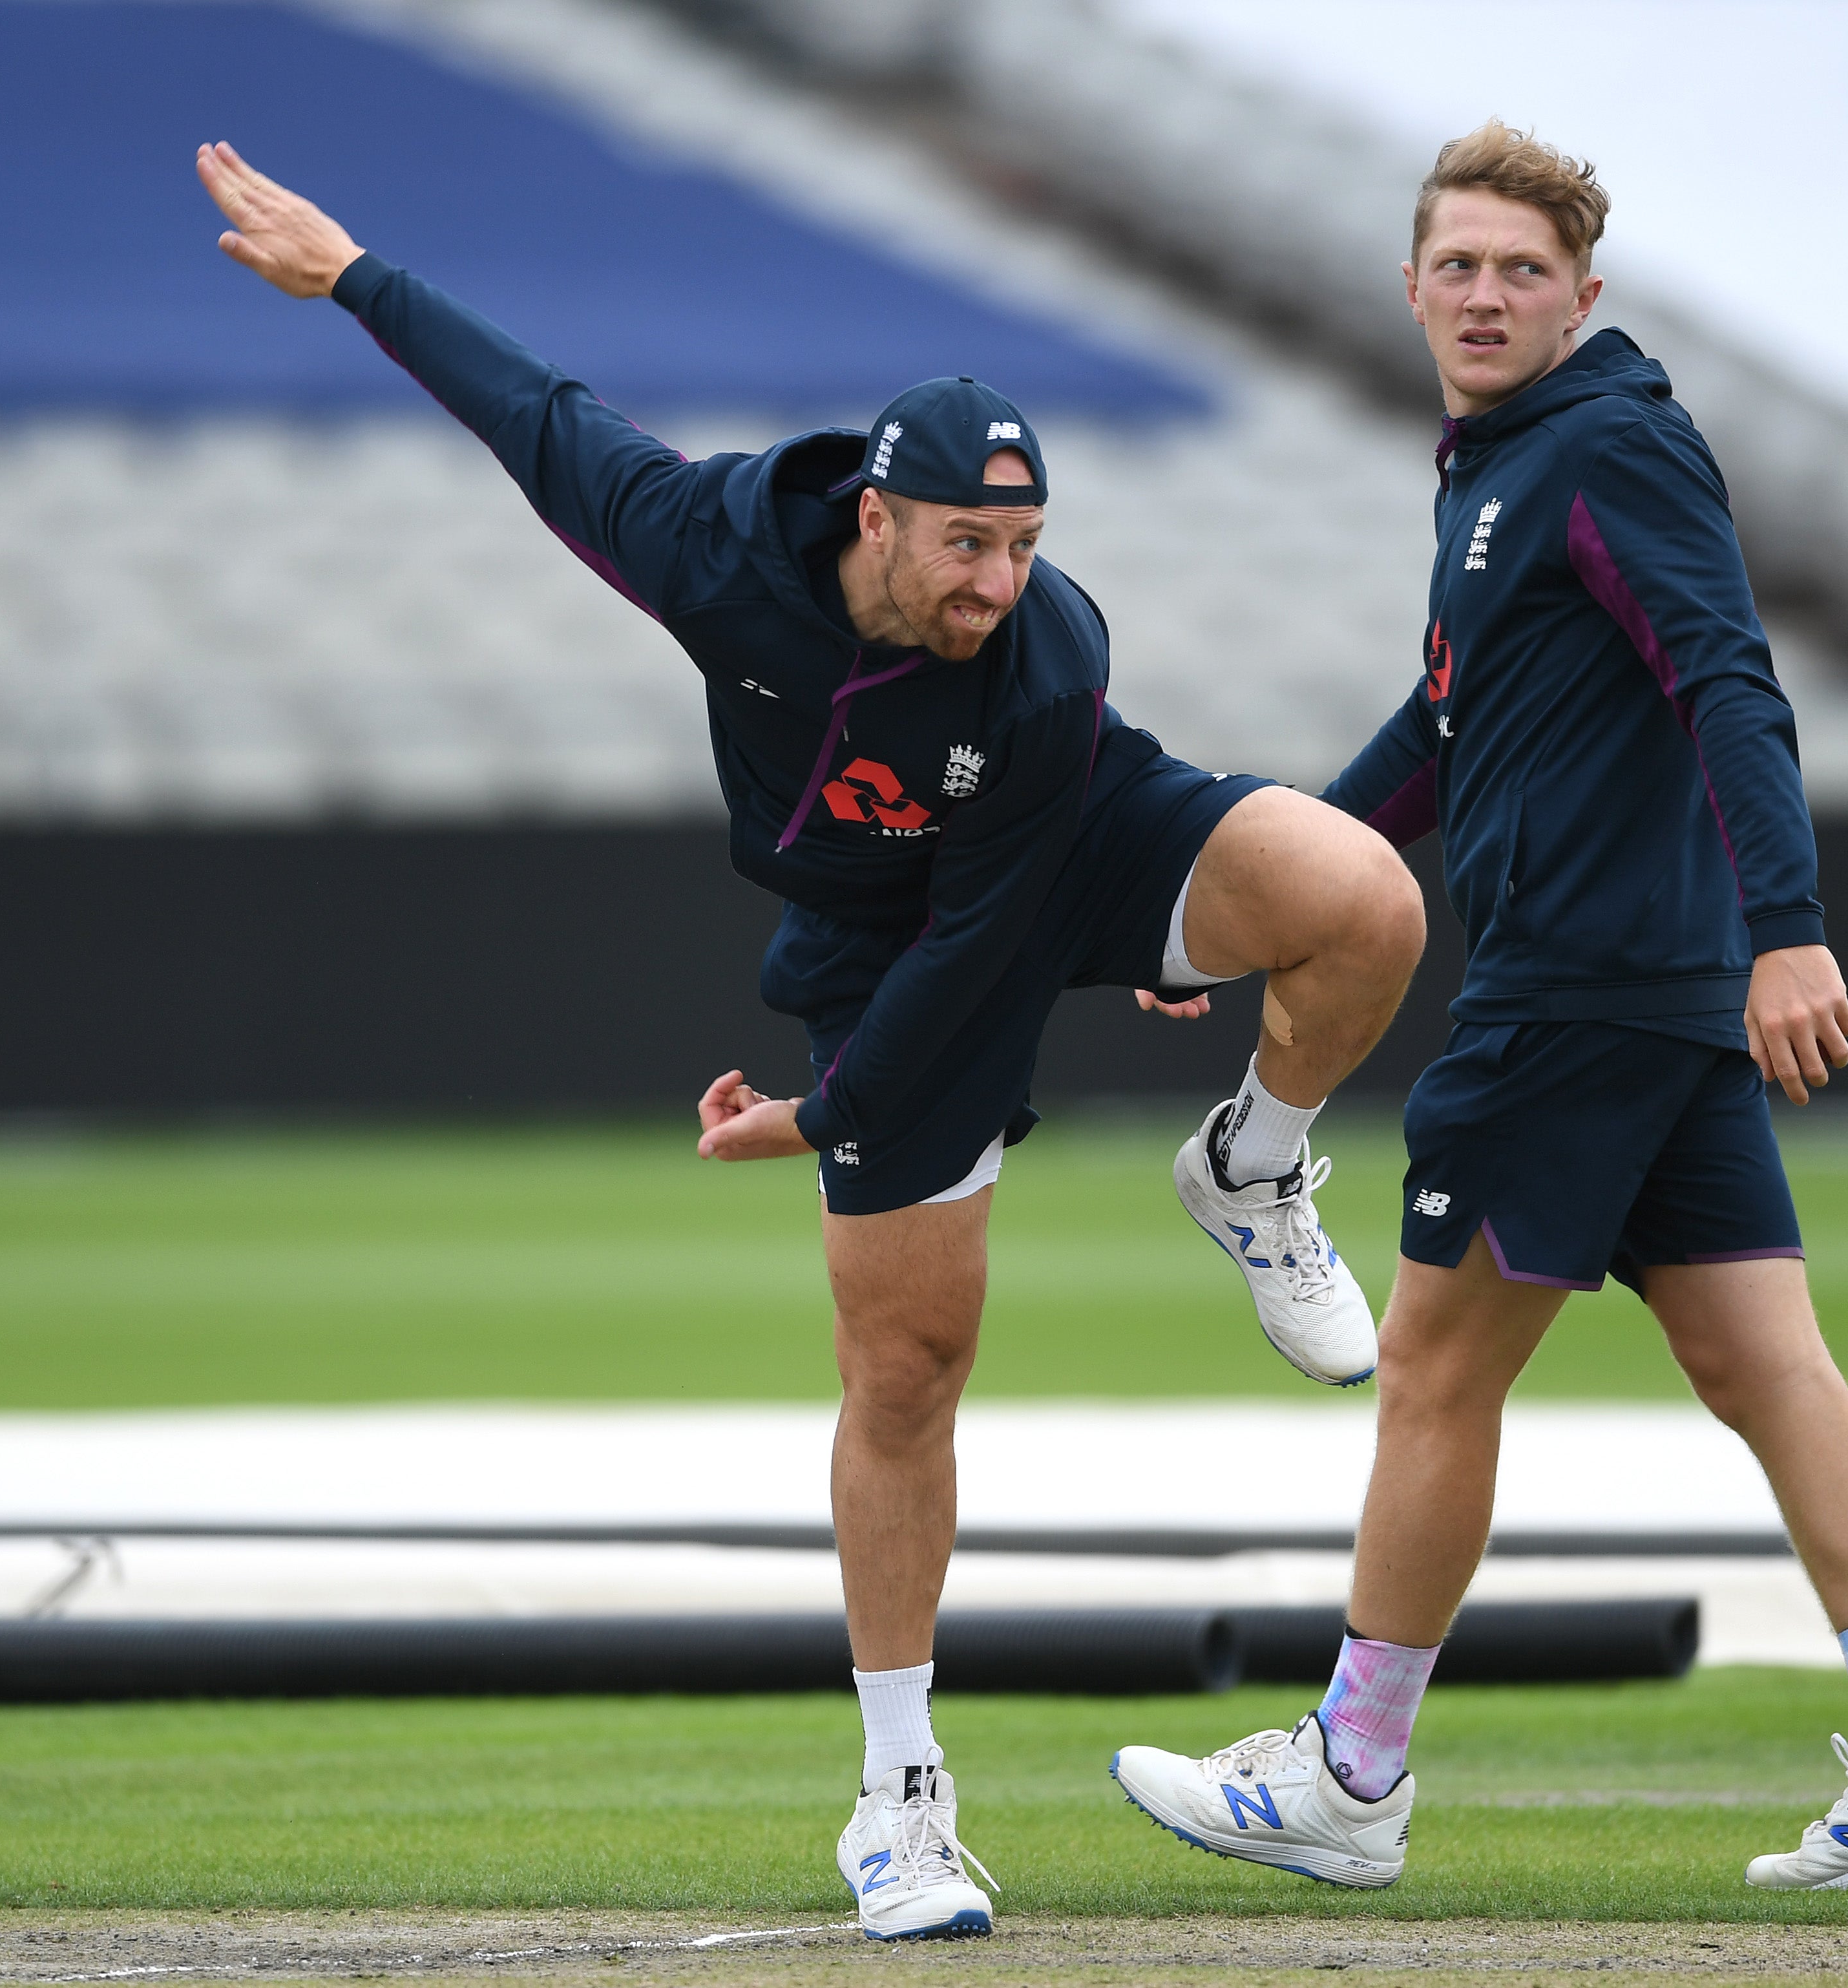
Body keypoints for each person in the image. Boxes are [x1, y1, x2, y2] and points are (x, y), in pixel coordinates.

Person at [196, 141, 1425, 1940]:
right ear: (875, 515)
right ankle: (901, 1798)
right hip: (876, 932)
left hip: (1063, 833)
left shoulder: (1045, 658)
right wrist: (356, 274)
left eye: (1021, 544)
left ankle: (1248, 1166)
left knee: (1364, 899)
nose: (996, 578)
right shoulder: (717, 546)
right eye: (965, 543)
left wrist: (818, 1117)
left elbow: (997, 938)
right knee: (912, 1366)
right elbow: (538, 416)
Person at [1109, 122, 1848, 1894]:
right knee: (1769, 1367)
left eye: (1524, 269)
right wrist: (1233, 901)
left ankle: (1352, 1776)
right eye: (1460, 264)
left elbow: (1731, 673)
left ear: (1582, 295)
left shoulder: (1604, 448)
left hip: (1579, 992)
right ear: (1413, 285)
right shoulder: (1505, 470)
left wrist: (1793, 927)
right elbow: (1444, 726)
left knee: (1433, 1372)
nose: (1487, 292)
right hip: (1649, 998)